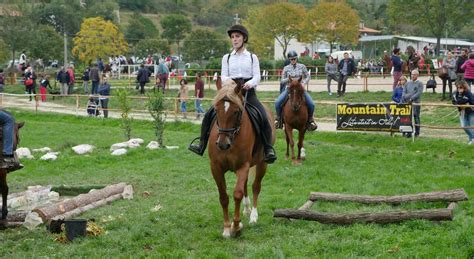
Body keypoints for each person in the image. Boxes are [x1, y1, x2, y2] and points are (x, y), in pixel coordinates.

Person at [188, 24, 276, 163]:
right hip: (230, 92)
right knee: (209, 114)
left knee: (263, 116)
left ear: (244, 38)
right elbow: (223, 76)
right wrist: (231, 83)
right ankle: (201, 144)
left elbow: (257, 76)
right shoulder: (227, 58)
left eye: (237, 37)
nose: (234, 39)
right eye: (233, 37)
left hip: (248, 92)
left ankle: (267, 149)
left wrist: (250, 83)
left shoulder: (252, 57)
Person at [274, 50, 317, 131]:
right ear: (289, 60)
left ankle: (310, 120)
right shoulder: (286, 68)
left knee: (311, 104)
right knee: (277, 102)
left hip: (300, 89)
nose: (293, 60)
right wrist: (289, 79)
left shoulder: (302, 66)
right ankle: (279, 119)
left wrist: (304, 82)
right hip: (289, 89)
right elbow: (282, 80)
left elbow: (308, 76)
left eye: (294, 59)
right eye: (291, 59)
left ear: (296, 58)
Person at [402, 70, 423, 137]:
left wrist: (411, 98)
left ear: (417, 75)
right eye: (412, 74)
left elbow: (418, 93)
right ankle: (408, 132)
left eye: (414, 74)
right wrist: (406, 97)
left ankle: (417, 132)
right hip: (407, 103)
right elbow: (404, 93)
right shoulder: (407, 83)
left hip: (415, 103)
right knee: (408, 118)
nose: (412, 76)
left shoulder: (420, 83)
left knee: (416, 117)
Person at [452, 80, 474, 144]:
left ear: (464, 87)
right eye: (458, 87)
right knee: (464, 126)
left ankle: (471, 140)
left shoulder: (468, 93)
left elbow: (472, 101)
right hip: (462, 111)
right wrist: (462, 102)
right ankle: (472, 137)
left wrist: (464, 102)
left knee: (471, 126)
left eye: (460, 87)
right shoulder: (455, 93)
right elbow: (454, 102)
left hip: (471, 111)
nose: (459, 89)